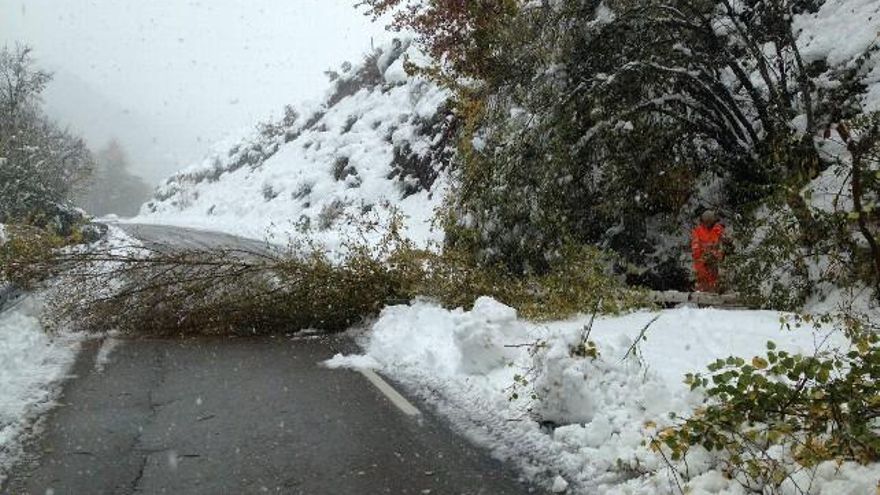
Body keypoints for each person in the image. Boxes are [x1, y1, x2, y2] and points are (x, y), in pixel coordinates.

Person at [691, 209, 725, 293]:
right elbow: (695, 246)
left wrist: (718, 255)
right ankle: (703, 294)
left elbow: (723, 244)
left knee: (715, 277)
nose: (708, 224)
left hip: (715, 258)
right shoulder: (697, 231)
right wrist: (700, 257)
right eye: (706, 222)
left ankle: (714, 291)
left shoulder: (718, 229)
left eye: (710, 222)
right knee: (702, 277)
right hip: (701, 258)